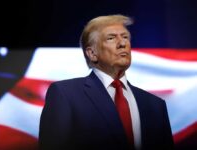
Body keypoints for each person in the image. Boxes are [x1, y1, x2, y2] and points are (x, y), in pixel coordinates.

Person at [39, 14, 174, 150]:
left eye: (125, 37)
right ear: (92, 53)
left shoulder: (156, 106)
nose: (122, 43)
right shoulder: (66, 94)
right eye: (111, 38)